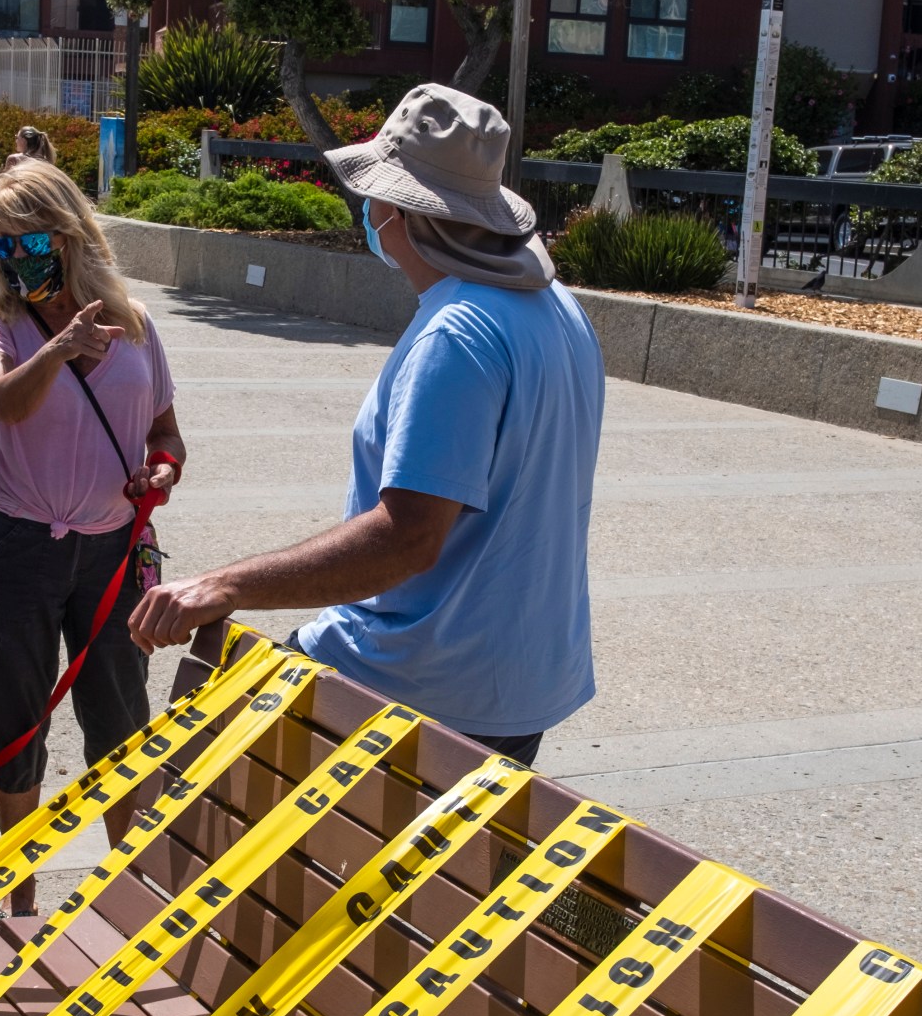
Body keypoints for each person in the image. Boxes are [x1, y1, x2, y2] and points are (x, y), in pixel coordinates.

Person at [127, 84, 604, 765]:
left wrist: (226, 584)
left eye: (374, 196)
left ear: (404, 211)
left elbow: (405, 539)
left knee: (210, 795)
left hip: (423, 681)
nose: (368, 211)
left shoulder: (458, 333)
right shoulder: (557, 309)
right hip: (522, 681)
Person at [0, 162, 185, 914]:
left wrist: (163, 472)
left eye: (30, 240)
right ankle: (17, 900)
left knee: (120, 719)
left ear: (69, 234)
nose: (15, 257)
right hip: (18, 545)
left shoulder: (139, 324)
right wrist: (58, 349)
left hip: (112, 552)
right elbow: (2, 401)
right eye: (1, 244)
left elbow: (165, 432)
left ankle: (130, 895)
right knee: (16, 721)